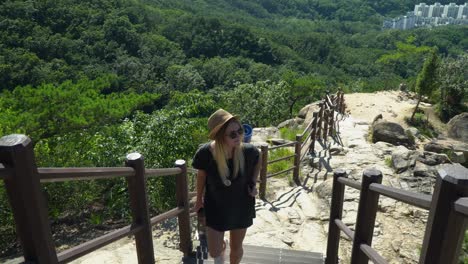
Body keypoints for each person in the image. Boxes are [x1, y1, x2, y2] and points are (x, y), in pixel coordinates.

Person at [192, 109, 261, 264]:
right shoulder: (205, 153)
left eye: (240, 131)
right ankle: (222, 249)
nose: (238, 136)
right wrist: (198, 199)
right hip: (216, 206)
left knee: (236, 249)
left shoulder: (248, 151)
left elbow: (259, 161)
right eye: (232, 134)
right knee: (214, 250)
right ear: (220, 136)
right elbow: (201, 175)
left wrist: (253, 182)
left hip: (241, 206)